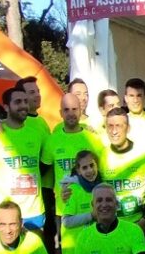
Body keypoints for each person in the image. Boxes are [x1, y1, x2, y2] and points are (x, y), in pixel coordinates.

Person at [0, 88, 46, 230]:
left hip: (35, 212)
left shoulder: (37, 132)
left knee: (35, 252)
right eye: (18, 102)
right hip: (5, 215)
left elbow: (46, 164)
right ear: (6, 107)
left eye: (26, 101)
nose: (23, 105)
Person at [42, 93, 103, 236]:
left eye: (74, 109)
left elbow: (102, 173)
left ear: (81, 110)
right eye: (66, 110)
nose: (71, 113)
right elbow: (43, 173)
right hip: (64, 208)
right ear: (60, 113)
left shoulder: (93, 138)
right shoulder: (52, 140)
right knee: (66, 253)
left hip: (92, 208)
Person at [99, 108, 145, 233]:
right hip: (111, 227)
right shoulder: (101, 156)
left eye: (118, 126)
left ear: (128, 128)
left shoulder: (144, 154)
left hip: (139, 226)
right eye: (110, 126)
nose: (114, 131)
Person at [60, 150, 101, 254]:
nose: (89, 171)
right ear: (78, 171)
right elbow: (66, 221)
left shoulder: (100, 187)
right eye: (84, 167)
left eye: (92, 165)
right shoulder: (72, 190)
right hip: (76, 253)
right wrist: (91, 215)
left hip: (95, 250)